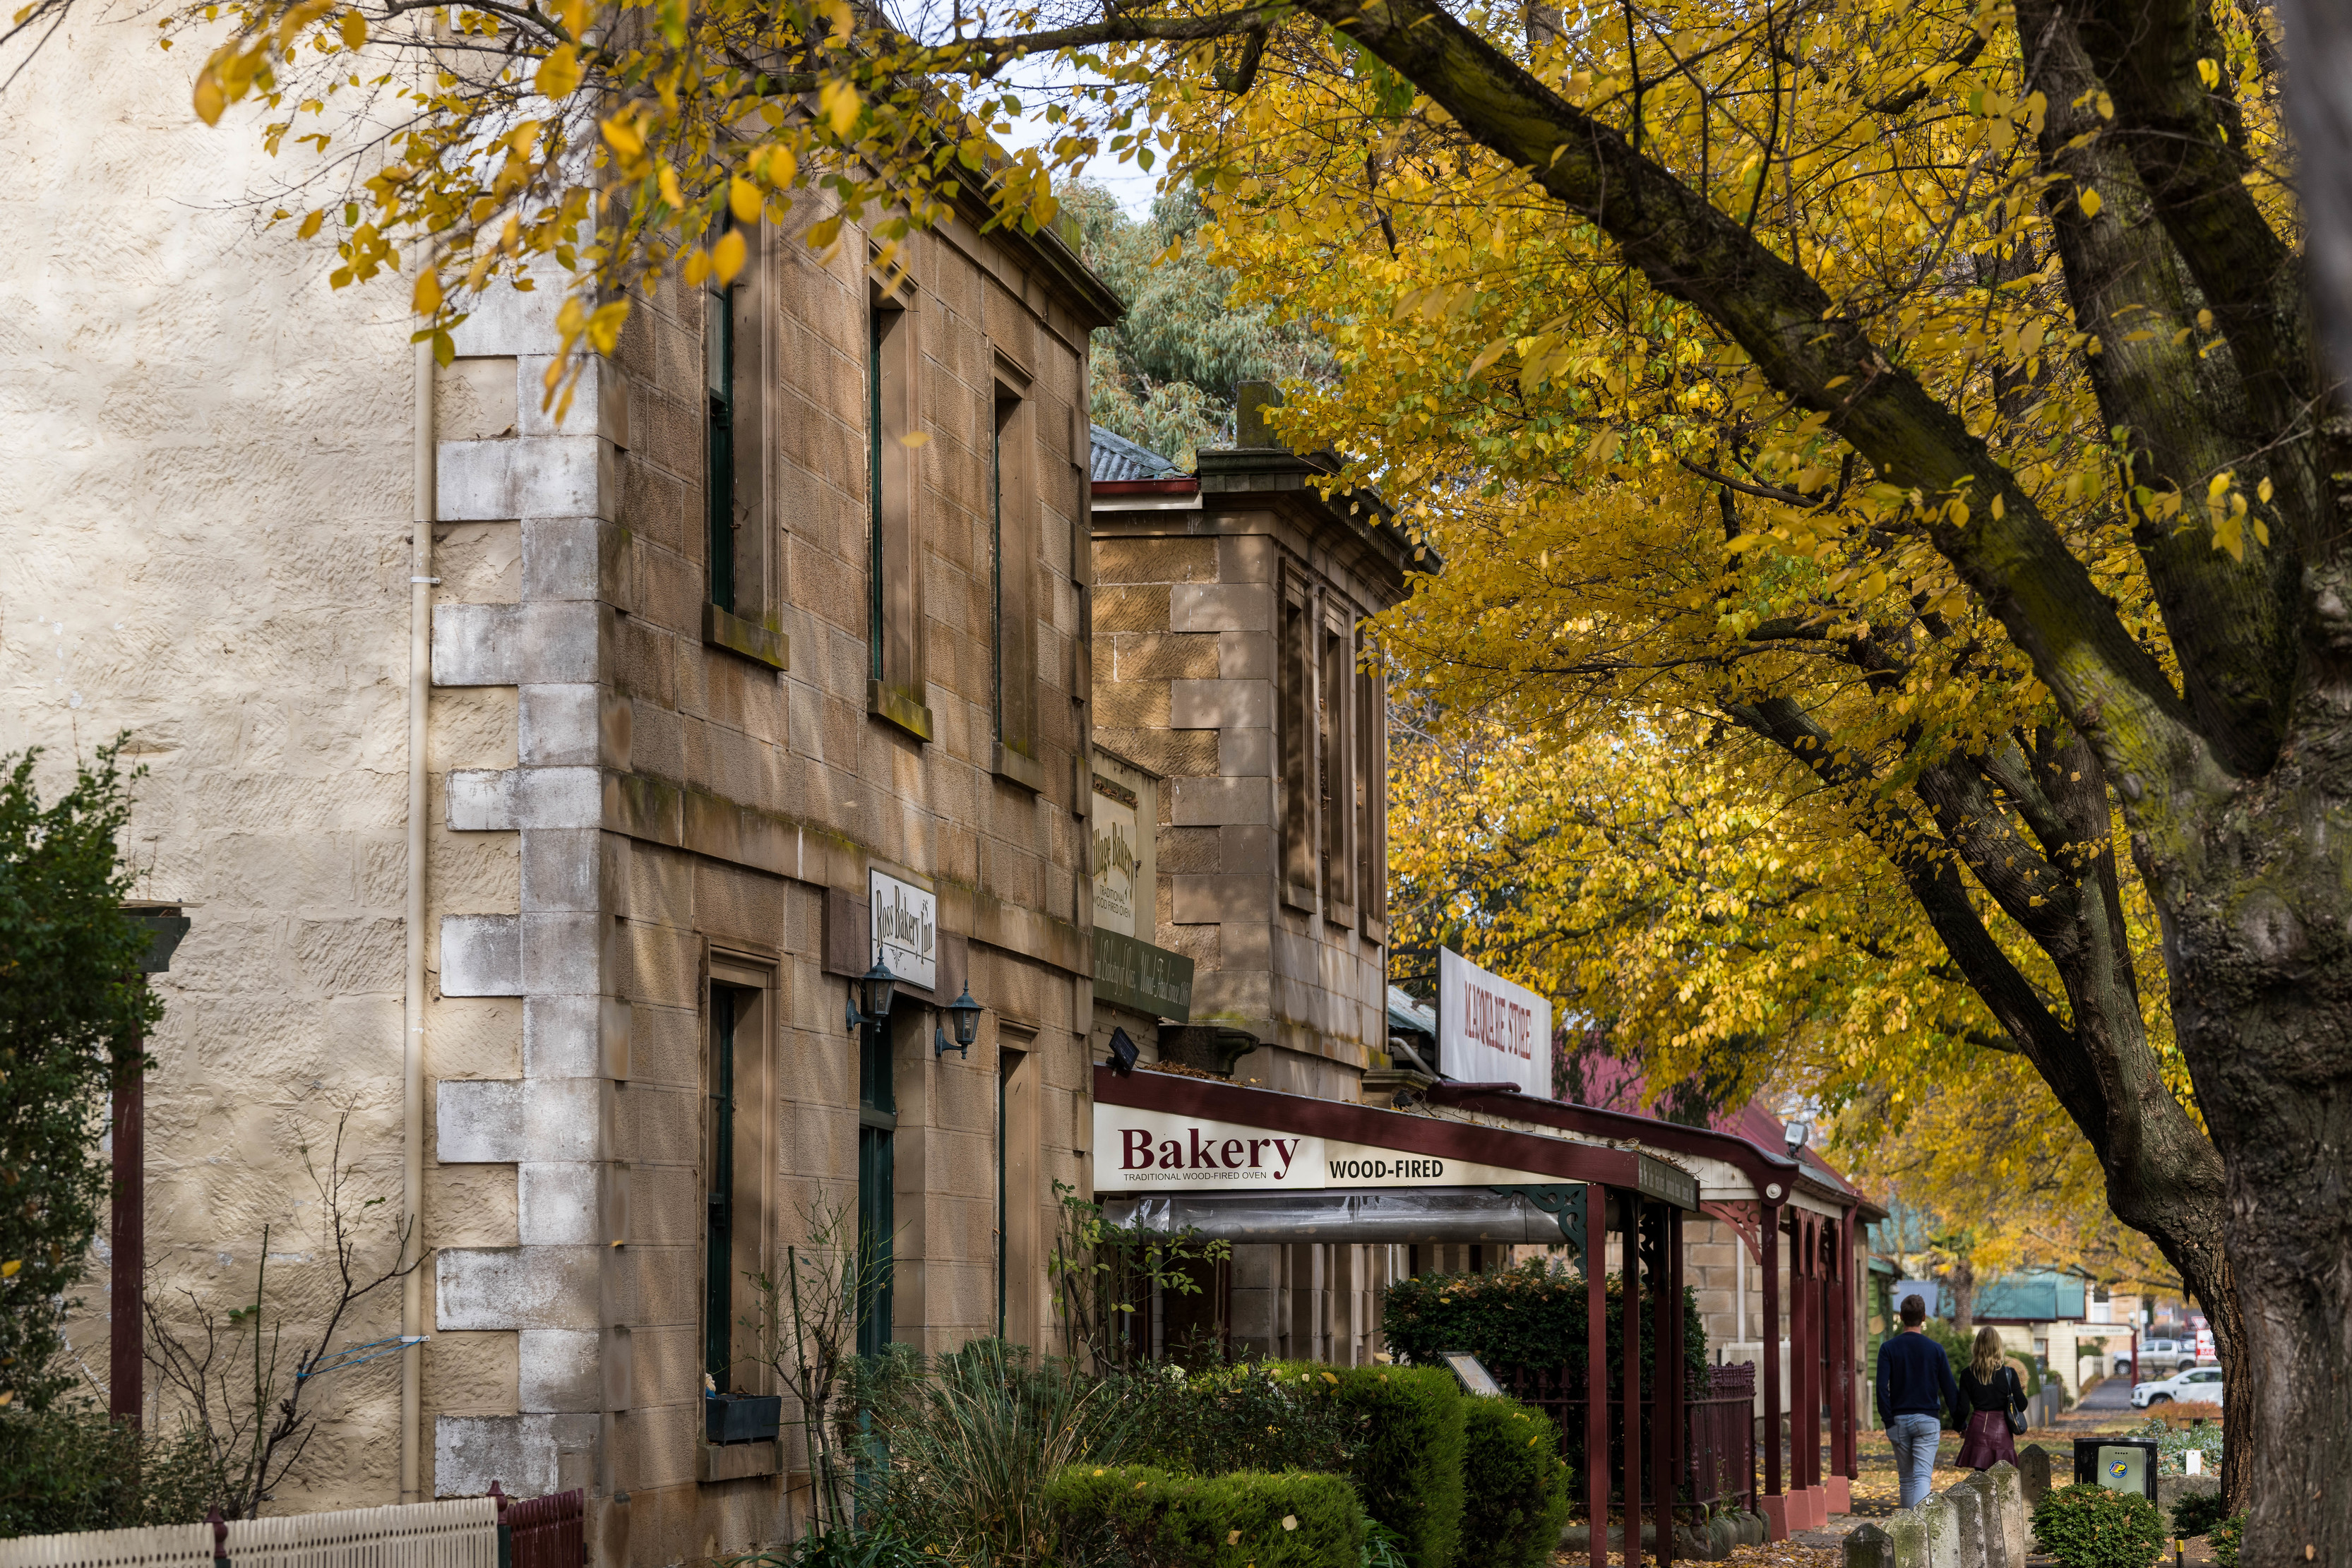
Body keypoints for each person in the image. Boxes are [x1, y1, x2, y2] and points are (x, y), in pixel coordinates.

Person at [1875, 1293, 1959, 1509]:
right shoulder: (1936, 1350)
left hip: (1899, 1420)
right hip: (1927, 1420)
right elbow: (1949, 1388)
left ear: (1901, 1316)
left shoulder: (1888, 1348)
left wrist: (1888, 1421)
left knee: (1906, 1479)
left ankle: (1905, 1532)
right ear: (1923, 1317)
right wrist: (1961, 1423)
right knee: (1922, 1477)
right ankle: (1920, 1532)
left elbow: (1881, 1387)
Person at [1954, 1325, 2026, 1470]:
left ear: (1976, 1347)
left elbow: (1963, 1408)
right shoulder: (2009, 1373)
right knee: (2003, 1480)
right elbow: (2022, 1405)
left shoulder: (1967, 1374)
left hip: (1978, 1428)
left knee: (1981, 1481)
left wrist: (1959, 1427)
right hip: (2002, 1431)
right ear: (1998, 1347)